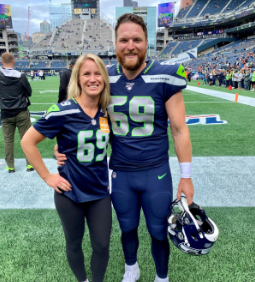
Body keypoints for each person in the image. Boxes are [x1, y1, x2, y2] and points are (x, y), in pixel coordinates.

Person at [56, 13, 194, 282]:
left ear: (147, 43)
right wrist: (62, 148)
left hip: (156, 171)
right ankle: (132, 267)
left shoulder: (165, 75)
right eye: (124, 40)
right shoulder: (103, 78)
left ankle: (162, 276)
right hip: (120, 171)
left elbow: (179, 129)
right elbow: (80, 118)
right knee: (127, 227)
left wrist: (186, 176)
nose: (130, 45)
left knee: (157, 229)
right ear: (115, 43)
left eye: (137, 40)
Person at [21, 54, 112, 282]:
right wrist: (47, 177)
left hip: (100, 191)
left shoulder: (106, 112)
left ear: (104, 78)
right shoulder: (62, 110)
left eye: (97, 73)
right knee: (74, 242)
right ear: (78, 79)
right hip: (69, 191)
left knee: (101, 244)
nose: (93, 79)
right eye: (86, 74)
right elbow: (27, 141)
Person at [0, 52, 34, 173]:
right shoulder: (21, 76)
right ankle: (29, 164)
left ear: (1, 61)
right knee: (26, 138)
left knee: (8, 141)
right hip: (21, 112)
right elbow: (29, 92)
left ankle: (10, 166)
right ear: (14, 61)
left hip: (5, 113)